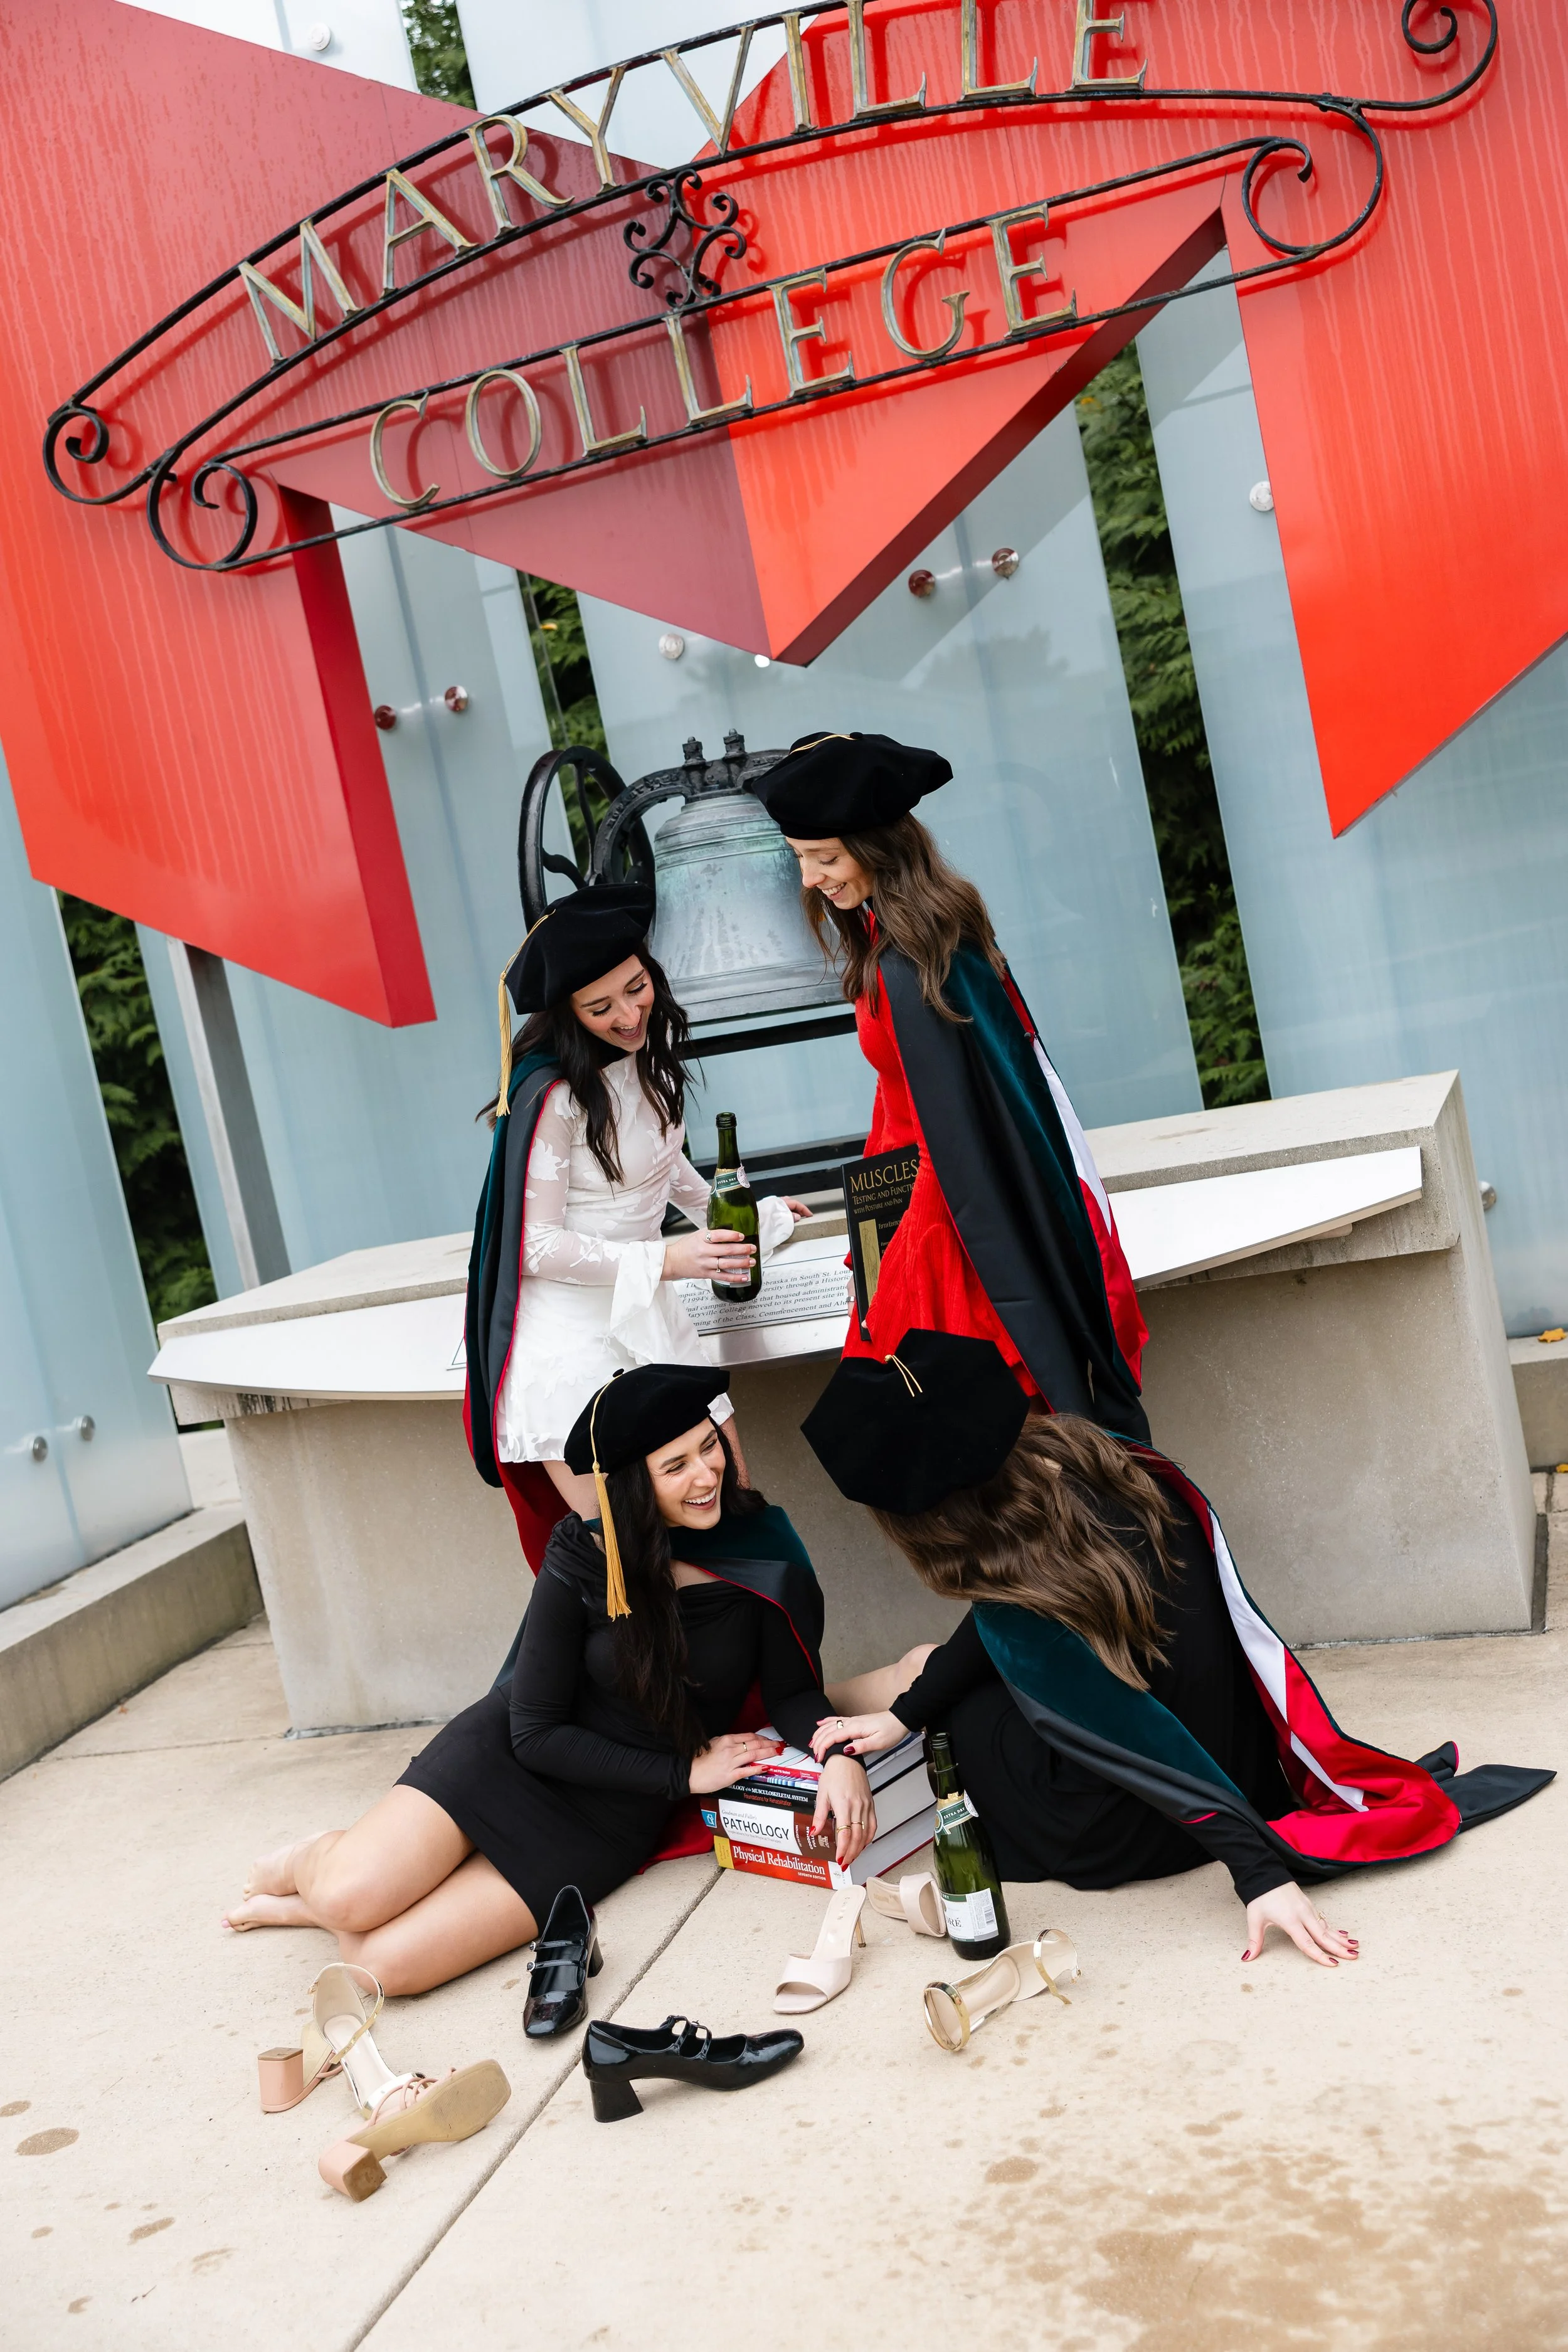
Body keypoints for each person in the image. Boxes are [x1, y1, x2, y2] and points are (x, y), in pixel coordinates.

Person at [801, 1330, 1553, 1967]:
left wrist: (1259, 1874)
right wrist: (905, 1716)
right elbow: (1009, 1618)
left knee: (936, 1677)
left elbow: (1137, 1734)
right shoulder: (1109, 1461)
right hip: (1235, 1755)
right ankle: (856, 1723)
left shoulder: (1024, 1618)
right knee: (931, 1679)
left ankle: (817, 1729)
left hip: (1122, 1831)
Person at [224, 1366, 876, 1994]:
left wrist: (839, 1754)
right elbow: (533, 1732)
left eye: (709, 1449)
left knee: (381, 1967)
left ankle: (319, 1910)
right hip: (505, 1758)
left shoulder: (764, 1549)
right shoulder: (583, 1553)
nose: (706, 1475)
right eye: (675, 1466)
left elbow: (792, 1691)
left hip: (606, 1815)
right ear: (630, 1484)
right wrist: (682, 1776)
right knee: (349, 1895)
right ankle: (314, 1862)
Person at [751, 731, 1147, 1441]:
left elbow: (949, 1137)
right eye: (801, 860)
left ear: (877, 849)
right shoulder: (925, 941)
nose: (811, 880)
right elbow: (907, 1100)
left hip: (953, 1240)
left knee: (990, 1466)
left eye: (825, 858)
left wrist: (892, 1270)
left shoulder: (908, 967)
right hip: (938, 1215)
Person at [464, 881, 810, 1563]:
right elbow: (534, 1246)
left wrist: (752, 1216)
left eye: (636, 987)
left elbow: (661, 1172)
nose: (627, 1014)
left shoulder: (647, 1060)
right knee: (636, 1558)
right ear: (567, 1012)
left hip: (648, 1309)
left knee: (733, 1501)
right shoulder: (551, 1096)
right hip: (573, 1342)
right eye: (600, 1007)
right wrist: (670, 1262)